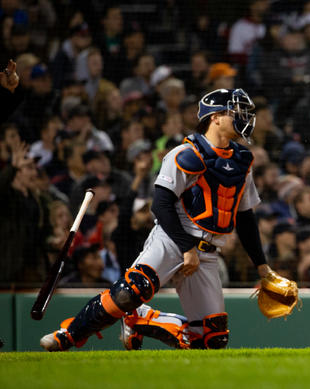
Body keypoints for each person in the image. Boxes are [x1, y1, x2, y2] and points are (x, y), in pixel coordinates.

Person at [40, 88, 294, 351]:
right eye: (236, 112)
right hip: (173, 238)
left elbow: (245, 217)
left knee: (211, 341)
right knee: (130, 291)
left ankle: (143, 319)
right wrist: (186, 248)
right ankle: (68, 334)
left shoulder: (242, 161)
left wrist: (262, 267)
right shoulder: (185, 153)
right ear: (215, 117)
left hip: (207, 251)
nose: (244, 118)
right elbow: (160, 205)